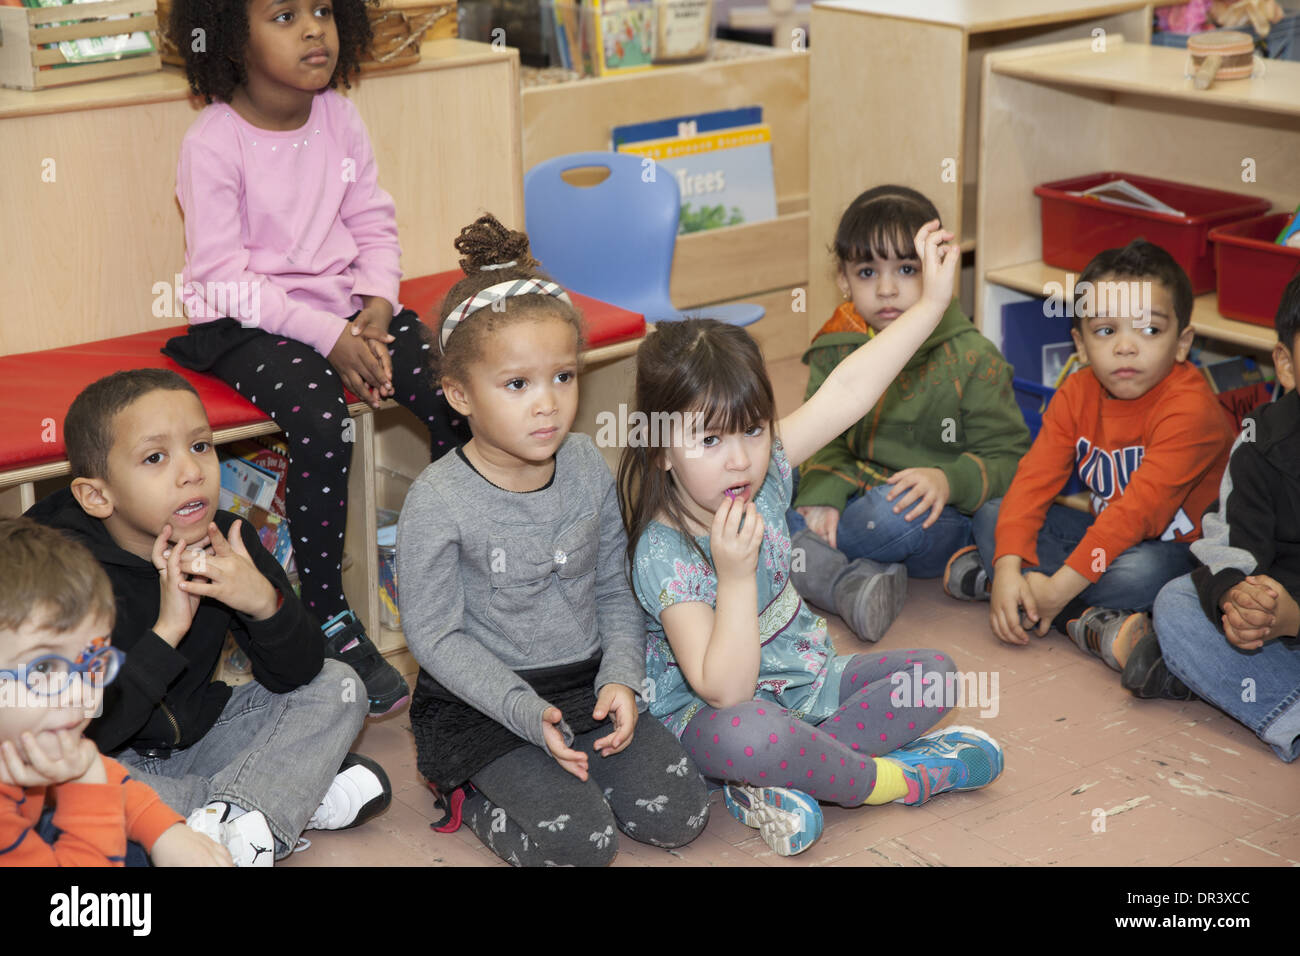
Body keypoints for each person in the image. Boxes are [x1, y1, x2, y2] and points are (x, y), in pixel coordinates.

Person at [620, 221, 1005, 857]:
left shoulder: (765, 469)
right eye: (708, 442)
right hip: (718, 720)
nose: (739, 459)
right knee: (755, 738)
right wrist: (737, 578)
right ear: (661, 450)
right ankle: (896, 780)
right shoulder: (663, 552)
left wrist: (933, 303)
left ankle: (792, 781)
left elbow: (849, 388)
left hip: (810, 685)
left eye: (750, 430)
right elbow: (724, 691)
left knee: (936, 676)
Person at [159, 0, 469, 715]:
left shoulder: (339, 117)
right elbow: (223, 274)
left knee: (453, 387)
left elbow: (374, 222)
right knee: (323, 421)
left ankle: (459, 567)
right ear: (234, 38)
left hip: (340, 311)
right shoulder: (214, 141)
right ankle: (327, 610)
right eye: (284, 15)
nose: (312, 29)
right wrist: (326, 336)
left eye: (323, 11)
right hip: (242, 319)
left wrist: (377, 305)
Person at [398, 215, 709, 867]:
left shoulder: (587, 463)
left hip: (585, 687)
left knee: (682, 815)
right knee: (581, 844)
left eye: (562, 377)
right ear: (459, 393)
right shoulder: (437, 499)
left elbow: (612, 589)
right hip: (484, 703)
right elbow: (435, 637)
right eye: (518, 384)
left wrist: (622, 678)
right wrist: (520, 710)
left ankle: (573, 771)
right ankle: (466, 792)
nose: (547, 404)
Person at [26, 370, 391, 865]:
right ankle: (269, 806)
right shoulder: (56, 571)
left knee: (340, 685)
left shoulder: (225, 538)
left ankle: (235, 818)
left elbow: (299, 675)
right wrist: (167, 631)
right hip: (108, 758)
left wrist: (262, 602)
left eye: (200, 446)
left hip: (203, 735)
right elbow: (79, 734)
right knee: (60, 792)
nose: (191, 472)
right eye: (156, 458)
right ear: (97, 495)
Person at [948, 239, 1235, 673]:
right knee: (992, 515)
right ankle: (1076, 615)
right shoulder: (1076, 392)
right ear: (1080, 345)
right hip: (1103, 542)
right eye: (1106, 331)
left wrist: (1058, 587)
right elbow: (1032, 483)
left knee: (1145, 572)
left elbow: (1139, 514)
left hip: (1177, 551)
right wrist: (1008, 568)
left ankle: (1047, 603)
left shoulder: (1190, 408)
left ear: (1182, 342)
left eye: (1150, 330)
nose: (1125, 347)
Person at [791, 186, 1029, 642]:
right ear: (842, 280)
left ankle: (821, 563)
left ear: (938, 271)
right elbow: (823, 439)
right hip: (858, 492)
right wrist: (822, 492)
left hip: (932, 517)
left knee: (887, 516)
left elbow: (1011, 457)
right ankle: (851, 583)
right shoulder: (836, 345)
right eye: (866, 271)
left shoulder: (972, 356)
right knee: (760, 489)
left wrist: (947, 480)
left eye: (906, 269)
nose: (886, 289)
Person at [0, 517, 231, 866]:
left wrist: (168, 832)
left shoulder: (34, 736)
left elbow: (117, 782)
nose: (80, 692)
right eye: (45, 669)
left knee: (129, 828)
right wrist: (88, 777)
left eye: (93, 662)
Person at [1139, 274, 1300, 762]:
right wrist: (1240, 597)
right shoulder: (1260, 443)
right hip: (1281, 629)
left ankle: (1198, 676)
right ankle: (1288, 714)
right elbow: (1228, 547)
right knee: (1178, 601)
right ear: (1288, 365)